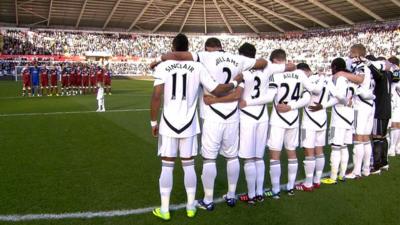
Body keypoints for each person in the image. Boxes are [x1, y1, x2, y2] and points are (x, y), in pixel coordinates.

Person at [155, 37, 268, 210]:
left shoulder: (205, 57)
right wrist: (240, 76)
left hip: (212, 114)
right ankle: (231, 196)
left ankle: (208, 200)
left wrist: (160, 59)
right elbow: (262, 62)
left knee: (209, 159)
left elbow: (178, 55)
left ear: (208, 48)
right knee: (232, 157)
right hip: (232, 116)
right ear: (221, 47)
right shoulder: (238, 59)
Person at [150, 33, 240, 220]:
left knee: (167, 166)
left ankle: (164, 210)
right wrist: (235, 82)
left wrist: (153, 122)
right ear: (188, 48)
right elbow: (216, 89)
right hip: (190, 124)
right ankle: (191, 207)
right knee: (188, 165)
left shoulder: (163, 66)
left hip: (168, 123)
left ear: (173, 48)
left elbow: (156, 96)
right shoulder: (198, 66)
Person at [203, 46, 294, 204]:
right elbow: (290, 67)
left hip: (247, 115)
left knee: (248, 159)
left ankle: (251, 195)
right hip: (262, 116)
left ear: (242, 57)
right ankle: (259, 192)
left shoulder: (242, 72)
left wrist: (216, 99)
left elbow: (234, 92)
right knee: (259, 157)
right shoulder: (267, 67)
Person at [244, 61, 319, 198]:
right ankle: (290, 187)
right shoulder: (300, 74)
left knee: (275, 156)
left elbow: (269, 97)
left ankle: (276, 190)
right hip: (294, 119)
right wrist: (292, 106)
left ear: (276, 61)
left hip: (278, 119)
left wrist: (247, 102)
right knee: (292, 153)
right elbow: (311, 93)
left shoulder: (276, 76)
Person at [320, 58, 356, 184]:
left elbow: (340, 97)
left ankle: (333, 177)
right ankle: (342, 175)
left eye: (332, 67)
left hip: (340, 117)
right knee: (344, 146)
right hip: (350, 116)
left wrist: (329, 83)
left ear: (335, 67)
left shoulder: (339, 78)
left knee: (336, 147)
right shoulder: (350, 78)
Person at [388, 56, 400, 156]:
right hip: (396, 99)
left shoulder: (396, 70)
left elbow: (395, 80)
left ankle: (392, 148)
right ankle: (397, 147)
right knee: (397, 126)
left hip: (395, 100)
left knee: (395, 125)